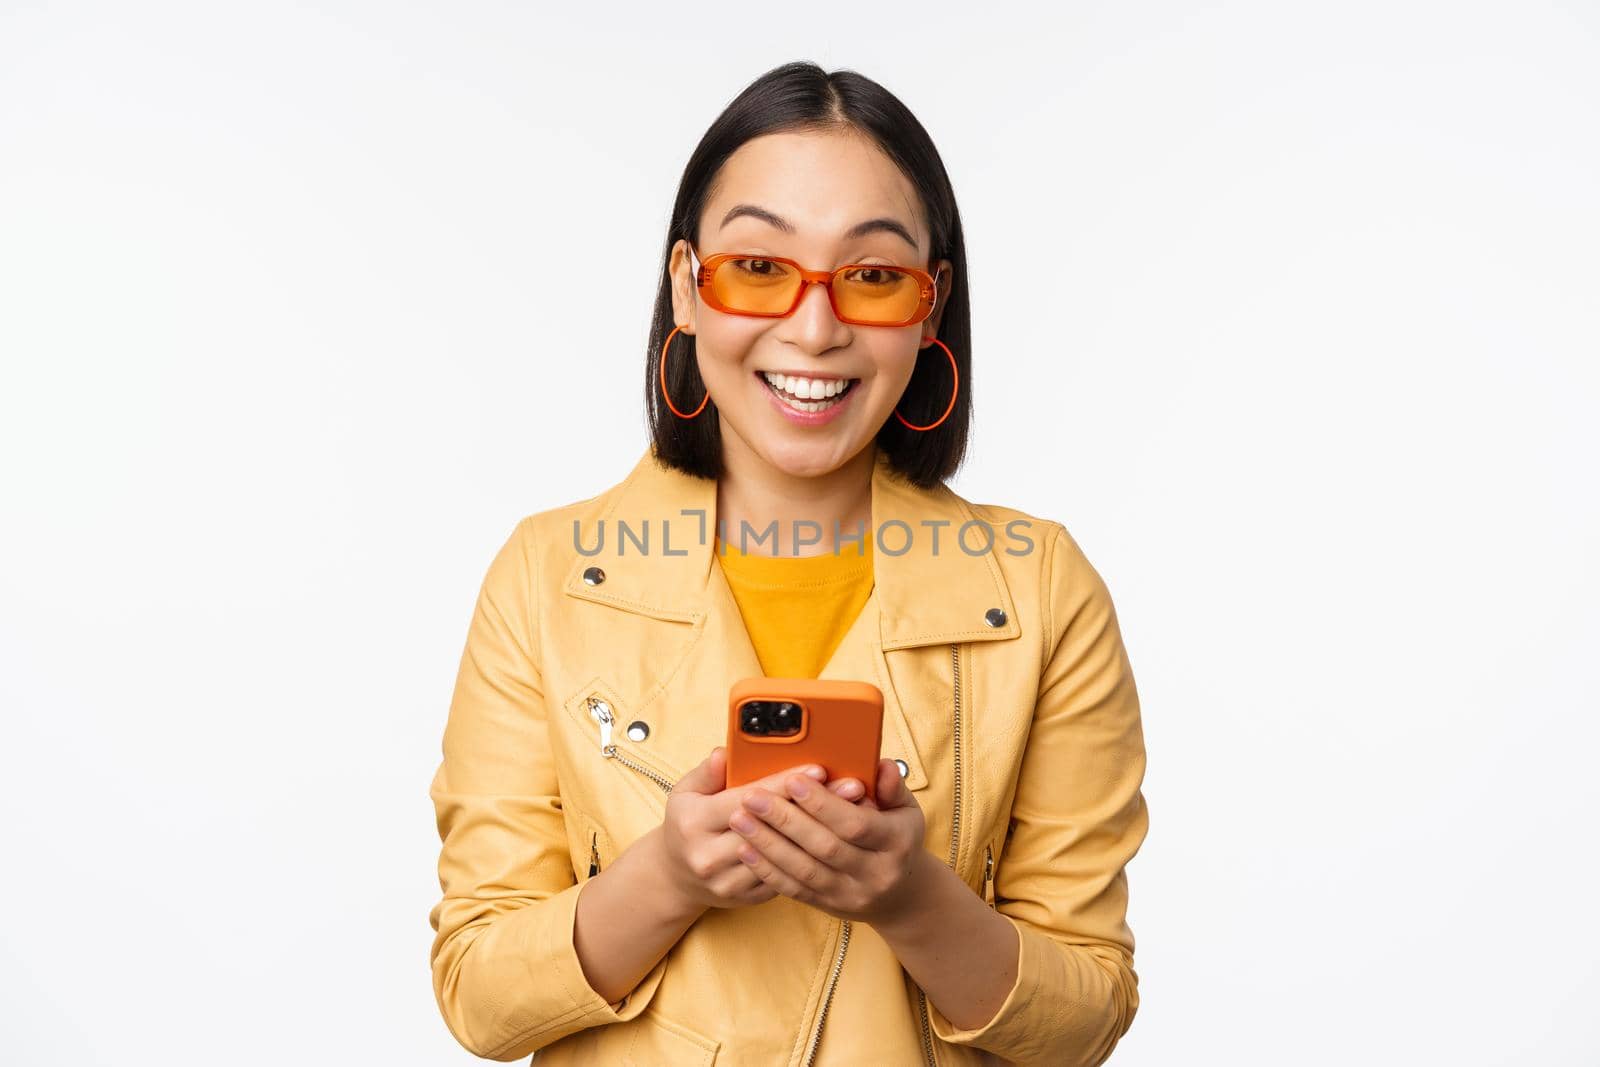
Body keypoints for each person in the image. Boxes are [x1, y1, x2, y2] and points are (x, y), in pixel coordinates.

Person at [427, 60, 1149, 1066]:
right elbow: (480, 995)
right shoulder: (548, 575)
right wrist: (670, 875)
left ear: (929, 306)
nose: (814, 327)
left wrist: (911, 897)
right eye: (758, 267)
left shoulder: (1037, 587)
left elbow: (1084, 1018)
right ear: (686, 286)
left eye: (873, 276)